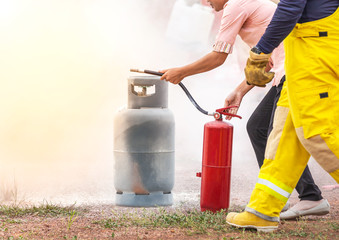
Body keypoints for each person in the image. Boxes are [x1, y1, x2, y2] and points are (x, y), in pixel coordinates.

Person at [161, 0, 329, 219]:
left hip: (294, 73)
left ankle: (305, 198)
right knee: (260, 128)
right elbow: (264, 62)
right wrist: (240, 91)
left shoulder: (234, 6)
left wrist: (180, 72)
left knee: (284, 136)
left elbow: (218, 57)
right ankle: (303, 197)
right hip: (287, 72)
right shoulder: (247, 4)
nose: (205, 2)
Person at [226, 0, 339, 232]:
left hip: (317, 47)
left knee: (317, 132)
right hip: (303, 48)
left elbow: (290, 7)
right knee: (283, 137)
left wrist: (261, 50)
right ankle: (262, 210)